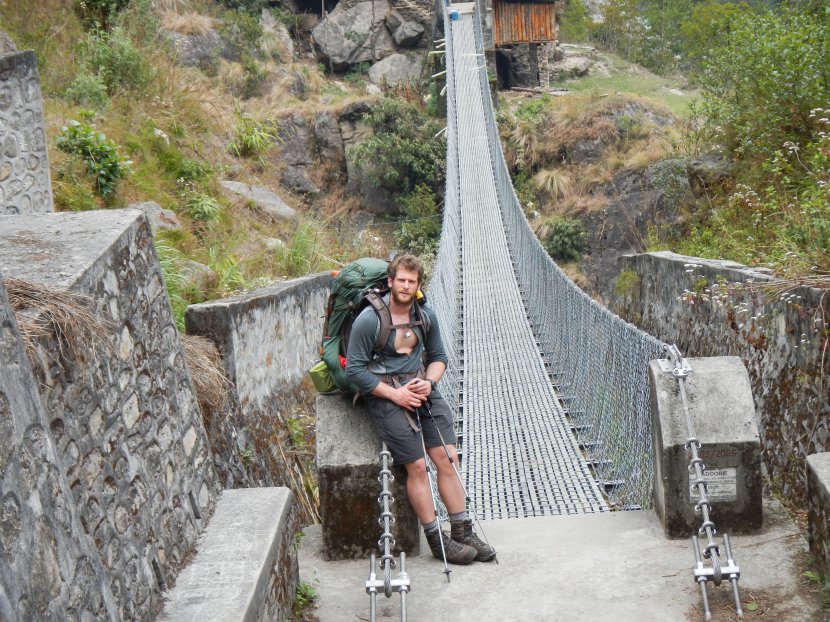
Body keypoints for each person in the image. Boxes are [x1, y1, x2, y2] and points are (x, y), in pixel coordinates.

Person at [346, 254, 496, 564]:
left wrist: (428, 383)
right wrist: (396, 396)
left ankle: (462, 531)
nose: (404, 285)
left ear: (417, 286)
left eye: (411, 281)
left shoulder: (425, 316)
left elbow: (439, 358)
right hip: (386, 397)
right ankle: (436, 538)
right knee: (417, 466)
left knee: (448, 457)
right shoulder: (369, 319)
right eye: (400, 279)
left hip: (421, 390)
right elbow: (356, 370)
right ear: (390, 281)